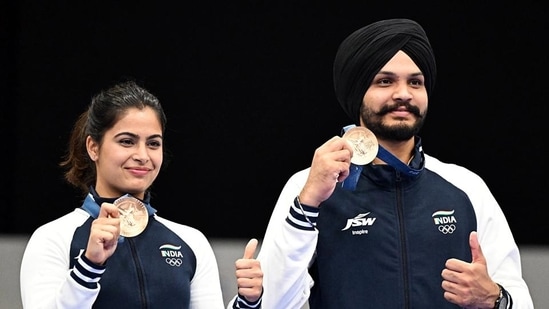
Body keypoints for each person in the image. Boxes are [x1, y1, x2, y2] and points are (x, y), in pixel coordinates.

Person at [250, 19, 534, 308]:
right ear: (357, 92)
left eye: (415, 82)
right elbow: (274, 302)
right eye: (385, 81)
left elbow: (519, 297)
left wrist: (495, 298)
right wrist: (308, 203)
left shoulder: (465, 187)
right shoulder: (310, 186)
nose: (403, 93)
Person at [19, 80, 263, 309]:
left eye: (153, 143)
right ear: (93, 147)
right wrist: (89, 266)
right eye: (127, 141)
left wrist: (247, 302)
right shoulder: (53, 238)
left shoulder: (191, 241)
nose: (142, 155)